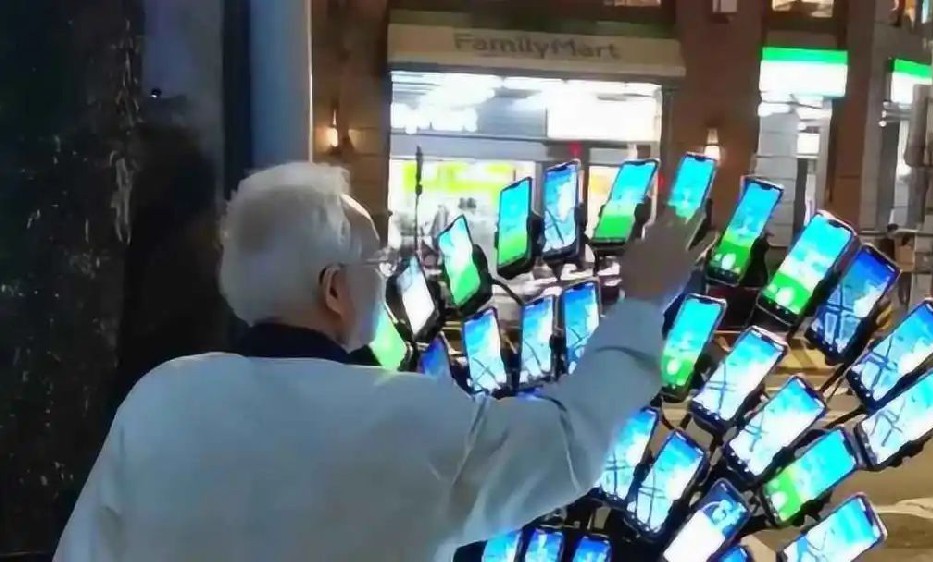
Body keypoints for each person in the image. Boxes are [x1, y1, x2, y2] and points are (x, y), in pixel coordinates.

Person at [54, 162, 710, 562]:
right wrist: (641, 303)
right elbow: (568, 441)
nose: (385, 276)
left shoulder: (160, 400)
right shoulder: (415, 416)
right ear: (334, 288)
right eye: (377, 262)